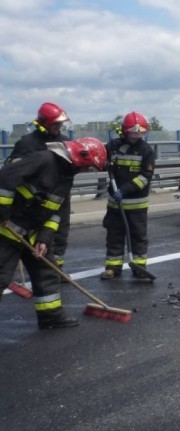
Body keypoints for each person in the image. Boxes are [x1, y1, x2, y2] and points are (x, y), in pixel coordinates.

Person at [0, 137, 107, 330]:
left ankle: (50, 317)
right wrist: (3, 213)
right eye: (88, 167)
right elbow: (5, 177)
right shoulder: (43, 160)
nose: (86, 171)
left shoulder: (66, 176)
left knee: (46, 273)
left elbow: (56, 210)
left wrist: (45, 238)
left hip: (31, 233)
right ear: (81, 157)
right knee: (1, 275)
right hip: (6, 229)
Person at [5, 102, 74, 271]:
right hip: (32, 199)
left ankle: (56, 268)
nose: (59, 127)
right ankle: (34, 266)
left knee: (59, 232)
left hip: (59, 196)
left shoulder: (65, 142)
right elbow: (12, 170)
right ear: (45, 124)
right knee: (29, 231)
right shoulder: (27, 143)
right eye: (56, 124)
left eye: (61, 124)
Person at [100, 112, 156, 280]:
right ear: (125, 131)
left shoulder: (146, 151)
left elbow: (146, 176)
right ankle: (112, 267)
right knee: (114, 235)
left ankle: (139, 267)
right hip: (115, 204)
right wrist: (103, 163)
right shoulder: (113, 146)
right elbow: (100, 157)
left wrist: (125, 190)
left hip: (136, 205)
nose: (136, 135)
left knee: (138, 236)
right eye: (133, 132)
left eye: (139, 133)